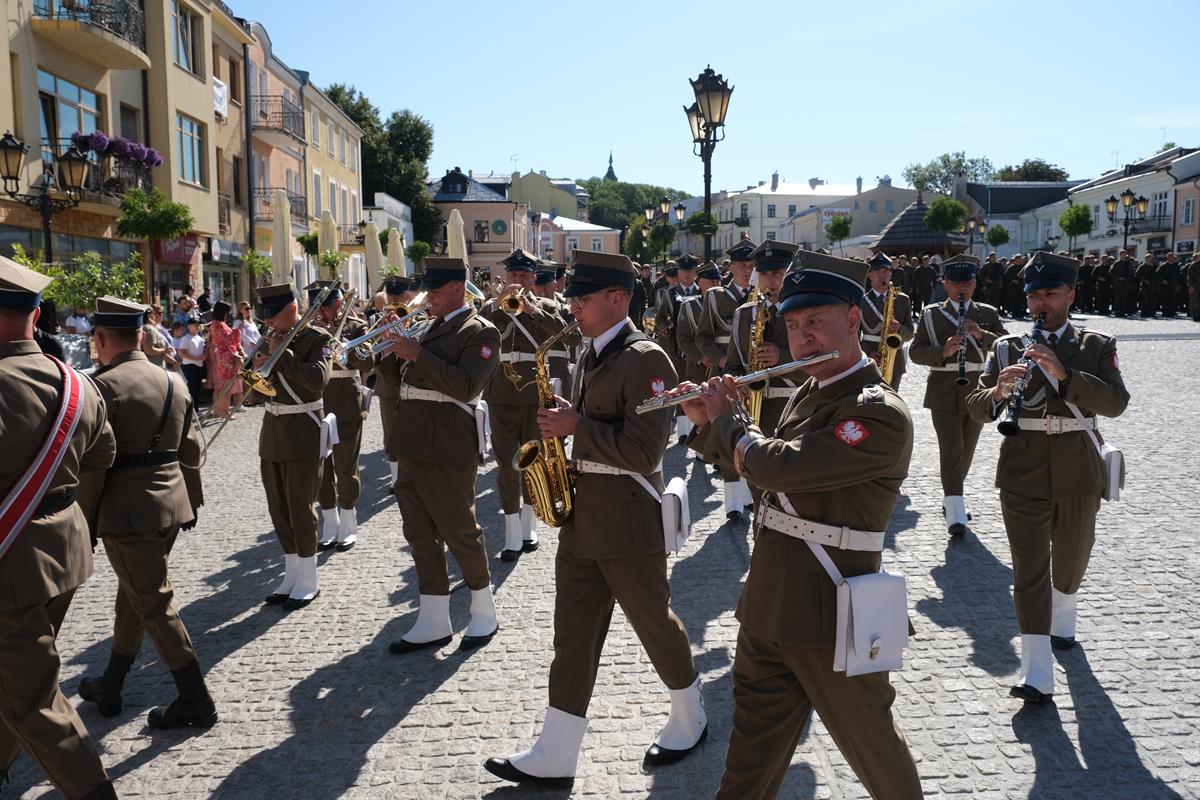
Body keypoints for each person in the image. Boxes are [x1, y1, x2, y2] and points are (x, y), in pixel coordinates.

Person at [682, 249, 922, 799]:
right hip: (768, 606)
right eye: (793, 326)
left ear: (853, 320)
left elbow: (778, 467)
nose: (802, 337)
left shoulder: (877, 411)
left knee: (875, 752)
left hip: (830, 614)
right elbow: (760, 476)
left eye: (816, 321)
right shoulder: (812, 392)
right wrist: (705, 422)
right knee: (749, 763)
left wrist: (729, 419)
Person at [485, 250, 706, 789]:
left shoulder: (646, 358)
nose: (573, 307)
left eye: (582, 299)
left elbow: (645, 453)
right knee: (573, 637)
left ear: (618, 298)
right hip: (583, 518)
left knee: (653, 624)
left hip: (629, 519)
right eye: (573, 299)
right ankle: (556, 751)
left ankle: (691, 714)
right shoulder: (589, 352)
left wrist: (575, 426)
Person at [967, 251, 1129, 703]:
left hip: (1078, 466)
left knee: (1072, 557)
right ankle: (1036, 671)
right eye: (1034, 295)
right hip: (1022, 469)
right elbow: (976, 408)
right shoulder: (1006, 348)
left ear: (1070, 295)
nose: (1041, 303)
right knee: (1029, 569)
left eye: (1050, 294)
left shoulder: (1096, 345)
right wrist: (998, 390)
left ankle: (1065, 608)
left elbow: (1116, 403)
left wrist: (1065, 373)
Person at [0, 256, 118, 799]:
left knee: (34, 702)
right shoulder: (76, 383)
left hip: (9, 563)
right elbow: (102, 456)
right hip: (62, 552)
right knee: (15, 679)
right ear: (35, 314)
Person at [75, 296, 215, 731]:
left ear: (100, 338)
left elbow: (93, 467)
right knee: (135, 594)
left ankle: (195, 698)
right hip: (170, 503)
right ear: (141, 335)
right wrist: (190, 501)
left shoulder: (100, 387)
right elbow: (191, 448)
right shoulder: (173, 380)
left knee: (153, 601)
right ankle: (112, 683)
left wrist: (84, 524)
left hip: (127, 513)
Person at [383, 258, 501, 653]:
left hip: (448, 445)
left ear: (457, 288)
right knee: (418, 533)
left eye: (434, 290)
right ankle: (433, 617)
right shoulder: (427, 326)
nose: (427, 297)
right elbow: (394, 382)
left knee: (459, 529)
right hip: (412, 440)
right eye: (427, 290)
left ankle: (483, 610)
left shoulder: (480, 331)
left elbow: (466, 385)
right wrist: (390, 350)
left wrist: (418, 354)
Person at [908, 254, 1008, 536]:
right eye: (956, 283)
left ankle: (952, 496)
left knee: (966, 450)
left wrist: (982, 335)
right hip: (943, 390)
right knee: (951, 448)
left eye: (968, 282)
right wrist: (943, 351)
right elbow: (915, 352)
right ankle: (956, 512)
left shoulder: (987, 313)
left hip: (978, 389)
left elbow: (1007, 346)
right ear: (946, 284)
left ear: (975, 284)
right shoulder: (931, 315)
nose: (962, 287)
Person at [480, 249, 570, 560]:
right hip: (501, 395)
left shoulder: (547, 306)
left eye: (523, 276)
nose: (517, 281)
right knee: (506, 464)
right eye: (513, 275)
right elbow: (479, 334)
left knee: (533, 459)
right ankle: (511, 532)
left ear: (533, 278)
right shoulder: (491, 308)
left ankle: (530, 524)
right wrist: (497, 304)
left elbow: (567, 337)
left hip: (534, 394)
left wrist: (533, 311)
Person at [255, 283, 334, 611]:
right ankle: (291, 573)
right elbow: (257, 389)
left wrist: (282, 354)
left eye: (272, 316)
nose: (268, 323)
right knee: (279, 508)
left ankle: (308, 577)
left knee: (301, 507)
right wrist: (256, 366)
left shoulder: (318, 339)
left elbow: (317, 380)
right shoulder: (268, 337)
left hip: (303, 431)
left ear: (291, 310)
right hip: (272, 432)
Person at [723, 240, 797, 504]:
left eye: (777, 273)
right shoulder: (745, 314)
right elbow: (732, 364)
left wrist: (781, 357)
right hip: (753, 414)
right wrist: (735, 381)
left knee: (791, 489)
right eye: (764, 273)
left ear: (789, 273)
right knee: (759, 490)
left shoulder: (803, 311)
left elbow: (821, 363)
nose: (771, 280)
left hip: (794, 409)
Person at [309, 282, 373, 552]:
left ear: (338, 303)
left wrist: (347, 350)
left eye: (326, 306)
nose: (322, 312)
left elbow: (369, 362)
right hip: (317, 404)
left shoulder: (355, 327)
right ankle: (330, 522)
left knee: (346, 467)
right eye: (317, 307)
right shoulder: (307, 330)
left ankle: (348, 522)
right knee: (321, 469)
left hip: (346, 403)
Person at [695, 238, 755, 517]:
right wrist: (719, 358)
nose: (748, 270)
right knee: (730, 429)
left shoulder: (760, 295)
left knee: (754, 430)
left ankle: (750, 493)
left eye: (752, 265)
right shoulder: (715, 296)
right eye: (742, 266)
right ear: (731, 268)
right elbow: (702, 336)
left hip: (754, 372)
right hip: (725, 371)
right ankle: (733, 503)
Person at [372, 275, 419, 488]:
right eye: (390, 295)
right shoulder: (379, 321)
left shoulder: (418, 318)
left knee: (414, 431)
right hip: (387, 386)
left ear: (407, 296)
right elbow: (371, 352)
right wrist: (384, 339)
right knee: (390, 433)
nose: (393, 299)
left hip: (412, 383)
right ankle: (394, 478)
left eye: (397, 295)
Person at [858, 253, 913, 391]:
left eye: (887, 271)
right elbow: (853, 336)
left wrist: (899, 328)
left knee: (891, 399)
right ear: (870, 275)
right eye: (878, 271)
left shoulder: (903, 299)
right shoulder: (860, 301)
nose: (883, 275)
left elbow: (910, 333)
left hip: (895, 361)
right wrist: (868, 351)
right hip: (869, 360)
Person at [207, 301, 244, 418]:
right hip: (225, 357)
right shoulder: (217, 324)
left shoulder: (219, 323)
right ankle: (223, 411)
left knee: (226, 386)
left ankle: (221, 410)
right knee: (227, 387)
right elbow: (227, 339)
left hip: (225, 356)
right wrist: (237, 331)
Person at [176, 317, 207, 408]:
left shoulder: (200, 338)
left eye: (198, 325)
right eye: (195, 325)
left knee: (198, 388)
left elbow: (203, 351)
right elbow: (181, 353)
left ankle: (195, 409)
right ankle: (190, 409)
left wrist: (204, 355)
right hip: (189, 366)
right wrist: (196, 358)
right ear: (189, 326)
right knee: (192, 388)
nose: (198, 326)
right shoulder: (186, 338)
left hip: (199, 365)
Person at [1110, 250, 1135, 317]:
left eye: (1124, 254)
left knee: (1124, 298)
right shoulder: (1116, 263)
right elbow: (1111, 272)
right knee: (1117, 298)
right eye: (1122, 254)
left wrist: (1129, 280)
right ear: (1120, 255)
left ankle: (1123, 312)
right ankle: (1117, 312)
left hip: (1126, 283)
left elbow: (1132, 273)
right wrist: (1118, 277)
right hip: (1118, 283)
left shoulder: (1128, 263)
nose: (1123, 255)